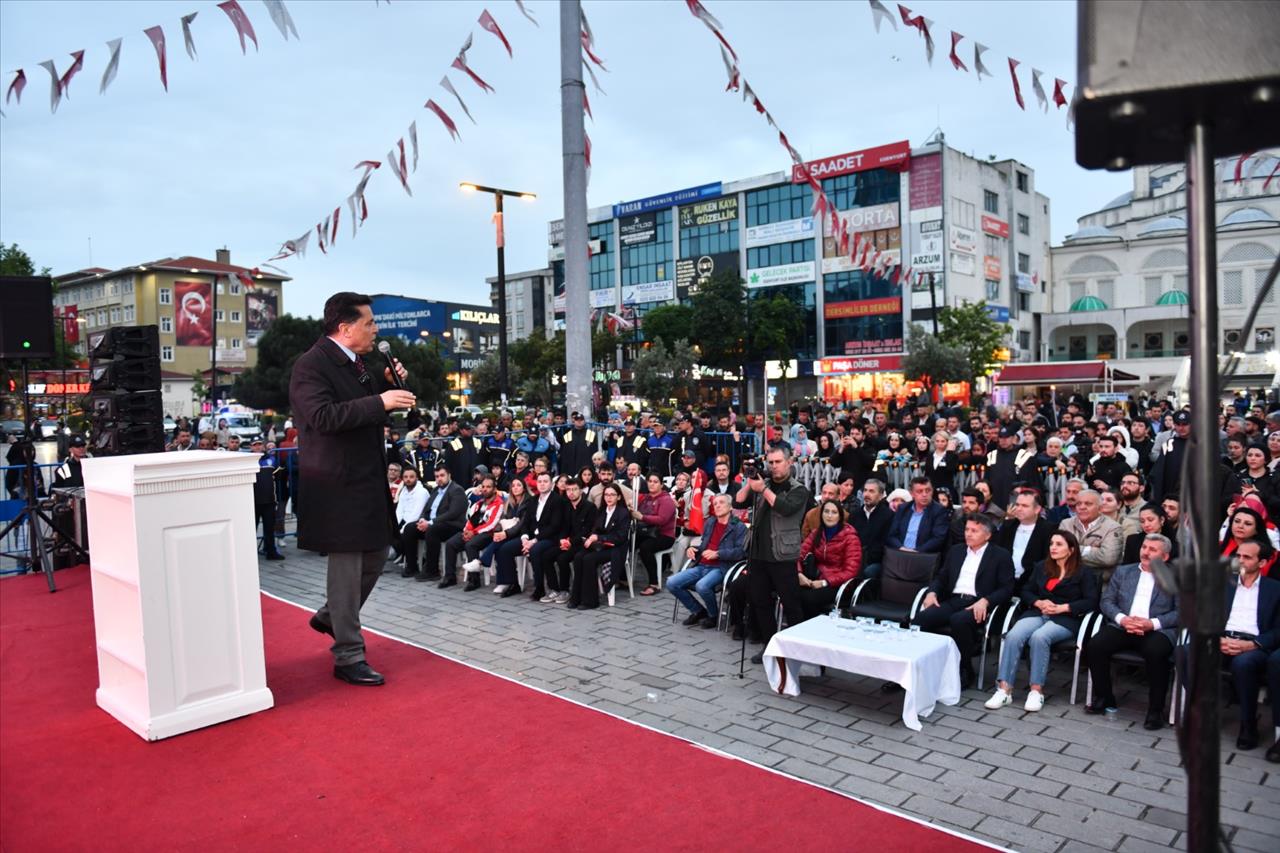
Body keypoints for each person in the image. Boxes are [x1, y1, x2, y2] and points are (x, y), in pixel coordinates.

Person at [289, 291, 414, 686]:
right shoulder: (311, 365)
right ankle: (348, 654)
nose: (375, 329)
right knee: (346, 569)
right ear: (345, 328)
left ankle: (331, 617)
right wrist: (381, 400)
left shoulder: (355, 364)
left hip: (365, 478)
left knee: (376, 554)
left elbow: (359, 404)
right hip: (337, 482)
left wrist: (387, 386)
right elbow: (324, 417)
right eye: (369, 323)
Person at [985, 530, 1098, 712]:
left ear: (1071, 549)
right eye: (1052, 543)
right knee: (1014, 635)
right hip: (1038, 612)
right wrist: (1038, 601)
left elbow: (1091, 600)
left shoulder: (1084, 573)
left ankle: (1036, 691)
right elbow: (1026, 590)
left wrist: (1064, 607)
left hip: (1065, 618)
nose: (1053, 547)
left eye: (1059, 544)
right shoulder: (1042, 567)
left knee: (1039, 637)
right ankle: (1004, 689)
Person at [1085, 534, 1180, 729]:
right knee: (1095, 646)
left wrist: (1151, 624)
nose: (1145, 552)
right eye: (1144, 547)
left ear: (1164, 557)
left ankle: (1155, 710)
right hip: (1124, 625)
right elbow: (1107, 601)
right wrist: (1123, 619)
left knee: (1156, 653)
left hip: (1156, 629)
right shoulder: (1123, 571)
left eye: (1152, 550)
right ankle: (1104, 697)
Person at [913, 514, 1016, 689]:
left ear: (988, 535)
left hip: (978, 604)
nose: (968, 534)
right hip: (953, 600)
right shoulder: (957, 550)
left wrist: (986, 600)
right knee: (921, 619)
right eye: (967, 529)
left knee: (959, 620)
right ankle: (922, 665)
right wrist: (932, 592)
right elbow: (941, 577)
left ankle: (964, 668)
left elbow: (1007, 588)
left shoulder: (1000, 555)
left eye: (974, 531)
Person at [736, 446, 811, 664]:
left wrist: (764, 490)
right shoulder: (763, 483)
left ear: (789, 462)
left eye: (778, 462)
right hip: (758, 553)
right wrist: (751, 483)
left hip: (783, 555)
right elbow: (739, 500)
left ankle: (797, 650)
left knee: (791, 604)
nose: (774, 466)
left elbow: (785, 508)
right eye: (771, 462)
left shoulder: (798, 489)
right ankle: (770, 646)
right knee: (760, 602)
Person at [1211, 539, 1280, 750]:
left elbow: (1278, 629)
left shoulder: (1275, 589)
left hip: (1254, 645)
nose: (1239, 560)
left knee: (1244, 664)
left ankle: (1248, 725)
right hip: (1222, 639)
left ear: (1262, 562)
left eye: (1247, 557)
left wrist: (1252, 645)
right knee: (1185, 652)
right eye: (1238, 555)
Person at [668, 493, 748, 627]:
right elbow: (704, 545)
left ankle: (713, 616)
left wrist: (718, 554)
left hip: (721, 567)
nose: (717, 506)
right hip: (701, 565)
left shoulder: (738, 526)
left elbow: (741, 552)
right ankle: (698, 611)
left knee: (702, 586)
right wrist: (693, 549)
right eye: (715, 503)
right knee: (671, 582)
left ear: (730, 507)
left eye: (721, 502)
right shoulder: (710, 522)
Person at [795, 499, 862, 618]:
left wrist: (825, 582)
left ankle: (813, 630)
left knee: (808, 598)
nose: (829, 516)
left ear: (840, 516)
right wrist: (799, 574)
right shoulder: (817, 533)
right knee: (791, 591)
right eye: (826, 511)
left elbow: (850, 572)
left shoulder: (850, 537)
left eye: (834, 512)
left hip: (839, 584)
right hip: (816, 579)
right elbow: (798, 555)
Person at [570, 482, 632, 609]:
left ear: (619, 497)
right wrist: (590, 538)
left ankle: (590, 601)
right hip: (600, 546)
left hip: (615, 549)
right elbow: (595, 529)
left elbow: (621, 537)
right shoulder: (602, 511)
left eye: (612, 495)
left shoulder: (623, 513)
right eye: (606, 495)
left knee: (589, 559)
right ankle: (576, 597)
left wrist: (599, 537)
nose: (609, 498)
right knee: (578, 556)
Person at [407, 465, 467, 585]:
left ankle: (432, 570)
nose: (439, 479)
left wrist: (430, 523)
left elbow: (453, 513)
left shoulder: (456, 490)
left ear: (449, 475)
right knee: (410, 528)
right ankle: (412, 567)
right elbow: (427, 509)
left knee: (432, 530)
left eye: (442, 475)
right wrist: (423, 519)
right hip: (435, 524)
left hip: (452, 525)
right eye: (436, 476)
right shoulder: (435, 490)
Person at [443, 475, 504, 591]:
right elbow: (470, 520)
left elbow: (491, 524)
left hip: (489, 534)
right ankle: (450, 577)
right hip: (474, 532)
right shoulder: (479, 504)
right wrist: (467, 531)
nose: (485, 489)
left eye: (488, 487)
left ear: (495, 489)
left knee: (470, 545)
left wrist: (474, 532)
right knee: (451, 543)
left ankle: (474, 580)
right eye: (483, 487)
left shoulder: (498, 503)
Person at [521, 471, 570, 601]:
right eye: (540, 481)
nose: (542, 484)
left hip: (552, 537)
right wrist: (525, 538)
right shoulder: (533, 500)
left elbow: (555, 526)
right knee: (507, 548)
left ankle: (540, 588)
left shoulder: (557, 500)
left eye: (545, 481)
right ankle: (510, 583)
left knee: (536, 550)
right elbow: (525, 522)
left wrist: (534, 541)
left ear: (552, 484)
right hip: (533, 538)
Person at [1058, 489, 1124, 582]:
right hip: (1068, 580)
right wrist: (1092, 550)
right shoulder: (1066, 524)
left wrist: (1073, 549)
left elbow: (1108, 558)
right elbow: (1059, 552)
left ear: (1100, 508)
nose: (1082, 507)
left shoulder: (1113, 527)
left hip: (1098, 583)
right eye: (1078, 504)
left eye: (1088, 504)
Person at [994, 490, 1056, 588]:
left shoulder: (1048, 530)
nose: (1019, 509)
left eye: (1024, 506)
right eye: (1017, 505)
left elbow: (1047, 561)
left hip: (1032, 583)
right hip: (1004, 581)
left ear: (1037, 509)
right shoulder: (1008, 526)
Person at [633, 473, 677, 596]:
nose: (652, 484)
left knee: (645, 547)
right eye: (650, 481)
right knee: (626, 541)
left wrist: (642, 517)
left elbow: (662, 519)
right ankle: (624, 578)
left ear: (661, 484)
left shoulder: (666, 500)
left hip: (664, 535)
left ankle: (654, 583)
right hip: (647, 532)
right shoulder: (645, 498)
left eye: (655, 481)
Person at [885, 476, 950, 554]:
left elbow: (938, 539)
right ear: (912, 493)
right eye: (920, 491)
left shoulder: (939, 511)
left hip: (923, 556)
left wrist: (915, 552)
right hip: (900, 553)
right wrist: (901, 548)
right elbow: (891, 535)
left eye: (928, 490)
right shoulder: (903, 508)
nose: (924, 494)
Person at [851, 478, 893, 579]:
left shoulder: (888, 516)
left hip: (877, 561)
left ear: (881, 495)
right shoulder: (855, 515)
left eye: (871, 491)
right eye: (865, 490)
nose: (866, 494)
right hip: (854, 558)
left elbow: (886, 544)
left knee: (868, 572)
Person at [393, 467, 429, 576]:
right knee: (388, 531)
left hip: (418, 522)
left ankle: (412, 566)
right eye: (405, 477)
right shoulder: (404, 490)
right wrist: (394, 525)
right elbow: (399, 510)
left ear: (417, 478)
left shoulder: (422, 492)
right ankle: (410, 556)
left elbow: (416, 514)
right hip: (405, 521)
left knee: (406, 532)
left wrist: (402, 529)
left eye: (411, 477)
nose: (408, 479)